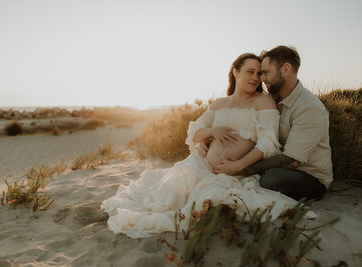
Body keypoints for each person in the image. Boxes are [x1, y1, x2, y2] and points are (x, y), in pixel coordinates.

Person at [101, 53, 309, 239]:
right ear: (235, 71)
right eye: (250, 71)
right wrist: (212, 132)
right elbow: (194, 132)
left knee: (203, 201)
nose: (256, 78)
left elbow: (268, 143)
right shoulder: (219, 104)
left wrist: (237, 167)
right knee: (166, 195)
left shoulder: (263, 102)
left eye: (259, 73)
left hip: (233, 171)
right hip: (200, 163)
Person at [236, 46, 333, 201]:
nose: (261, 79)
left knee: (269, 179)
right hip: (276, 166)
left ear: (286, 69)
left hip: (309, 177)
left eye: (266, 72)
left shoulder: (309, 108)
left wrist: (244, 168)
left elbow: (290, 160)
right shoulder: (271, 99)